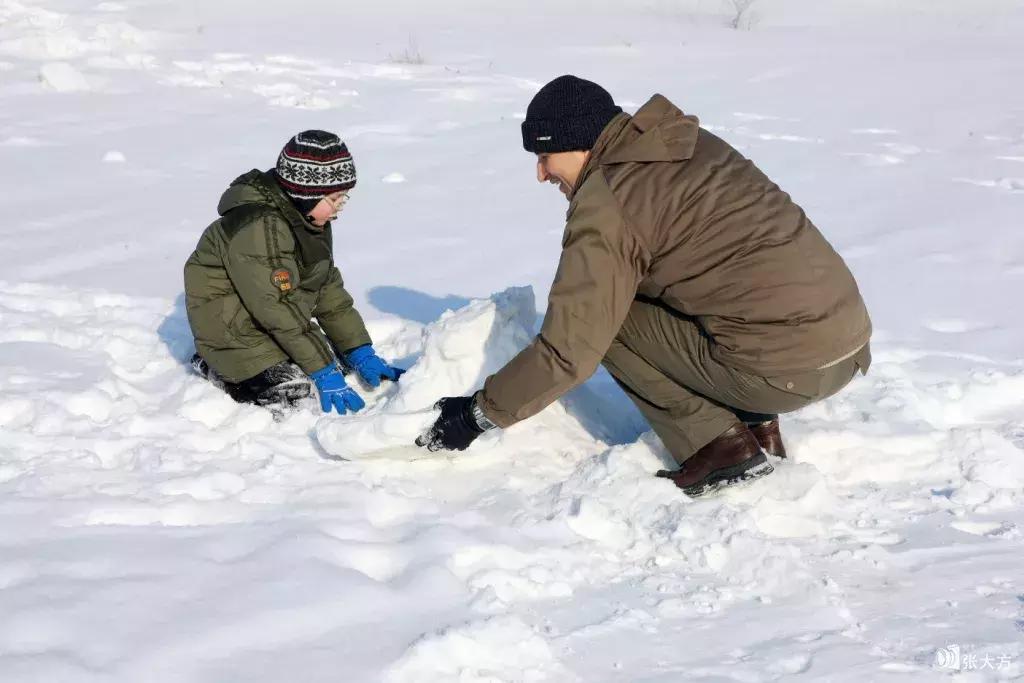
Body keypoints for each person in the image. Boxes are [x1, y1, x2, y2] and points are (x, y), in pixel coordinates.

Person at [417, 76, 871, 497]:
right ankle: (755, 424)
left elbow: (569, 349)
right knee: (675, 288)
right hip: (846, 344)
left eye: (543, 157)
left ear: (576, 146)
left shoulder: (610, 199)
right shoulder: (684, 147)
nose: (541, 174)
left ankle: (718, 448)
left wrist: (478, 414)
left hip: (788, 371)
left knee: (606, 322)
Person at [184, 130, 403, 413]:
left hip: (271, 322)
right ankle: (214, 365)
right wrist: (322, 371)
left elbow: (325, 287)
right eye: (335, 199)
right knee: (300, 398)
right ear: (305, 193)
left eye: (343, 198)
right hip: (235, 335)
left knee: (335, 367)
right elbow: (277, 306)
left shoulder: (308, 220)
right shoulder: (258, 228)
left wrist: (358, 349)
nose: (340, 207)